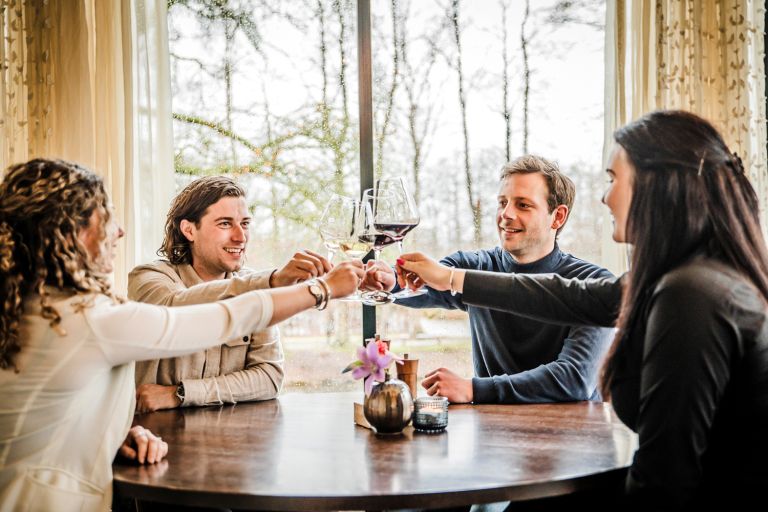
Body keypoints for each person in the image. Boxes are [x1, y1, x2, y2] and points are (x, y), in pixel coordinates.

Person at [395, 110, 768, 509]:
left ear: (656, 186)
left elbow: (663, 482)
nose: (605, 197)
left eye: (613, 179)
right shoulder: (688, 275)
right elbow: (562, 296)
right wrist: (449, 278)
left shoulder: (691, 294)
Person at [0, 159, 364, 511]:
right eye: (106, 216)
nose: (120, 231)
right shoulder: (90, 316)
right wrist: (320, 289)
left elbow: (53, 412)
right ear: (73, 232)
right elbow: (221, 316)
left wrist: (112, 435)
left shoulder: (38, 305)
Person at [364, 155, 614, 404]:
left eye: (523, 205)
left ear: (557, 217)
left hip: (573, 436)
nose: (506, 214)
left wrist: (473, 389)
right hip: (494, 432)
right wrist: (392, 282)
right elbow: (426, 286)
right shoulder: (475, 267)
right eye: (502, 202)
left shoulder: (593, 285)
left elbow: (574, 379)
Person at [130, 176, 332, 412]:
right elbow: (175, 308)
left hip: (233, 441)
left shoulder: (256, 286)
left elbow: (268, 377)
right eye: (225, 224)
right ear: (189, 230)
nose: (240, 236)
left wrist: (180, 394)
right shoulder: (148, 277)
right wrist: (272, 281)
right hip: (153, 441)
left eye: (245, 223)